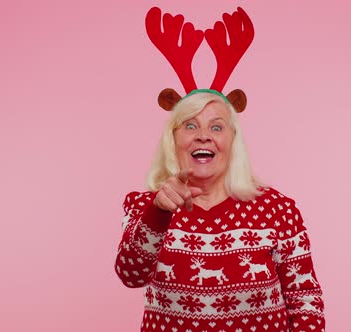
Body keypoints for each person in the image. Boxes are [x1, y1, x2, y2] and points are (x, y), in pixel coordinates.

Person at [114, 92, 326, 332]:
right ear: (172, 139)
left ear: (233, 141)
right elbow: (130, 275)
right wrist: (160, 212)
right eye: (190, 126)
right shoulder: (145, 206)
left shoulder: (277, 209)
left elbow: (305, 300)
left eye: (216, 127)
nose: (203, 136)